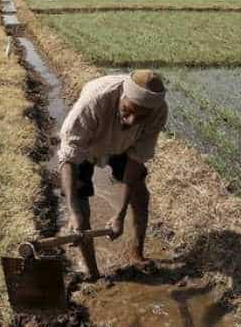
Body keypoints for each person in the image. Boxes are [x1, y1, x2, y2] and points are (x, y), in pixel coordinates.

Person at [58, 70, 168, 279]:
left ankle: (136, 253)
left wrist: (120, 213)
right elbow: (69, 158)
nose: (132, 120)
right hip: (88, 145)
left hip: (123, 146)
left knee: (141, 195)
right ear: (122, 95)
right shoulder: (94, 101)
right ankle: (93, 272)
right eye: (128, 110)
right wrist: (73, 212)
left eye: (141, 116)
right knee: (80, 214)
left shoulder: (158, 112)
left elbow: (135, 161)